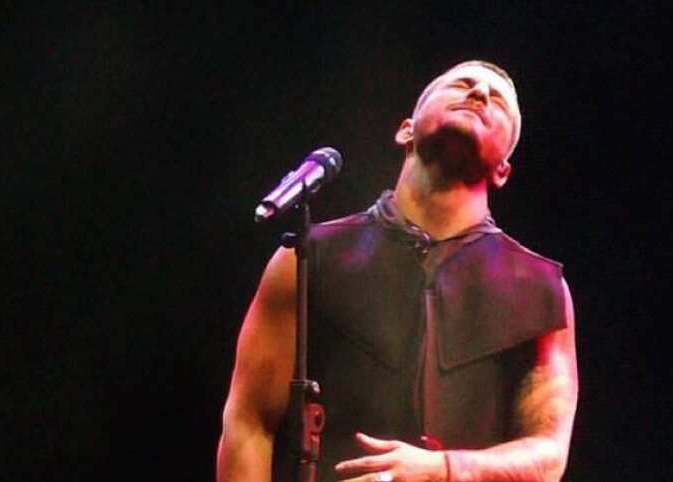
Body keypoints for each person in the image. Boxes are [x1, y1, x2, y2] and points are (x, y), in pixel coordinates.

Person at [216, 60, 579, 482]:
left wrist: (444, 470)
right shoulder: (308, 257)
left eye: (497, 101)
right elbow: (249, 423)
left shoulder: (539, 289)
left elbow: (549, 454)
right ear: (406, 130)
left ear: (503, 171)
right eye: (462, 84)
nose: (480, 94)